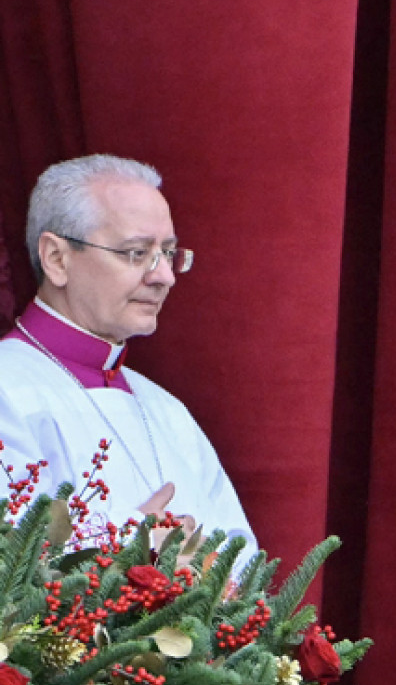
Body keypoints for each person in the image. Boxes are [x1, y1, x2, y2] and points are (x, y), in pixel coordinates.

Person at [0, 155, 254, 547]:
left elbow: (241, 558)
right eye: (137, 253)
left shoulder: (168, 411)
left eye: (168, 253)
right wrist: (139, 547)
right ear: (56, 259)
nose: (164, 277)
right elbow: (16, 563)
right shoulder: (8, 387)